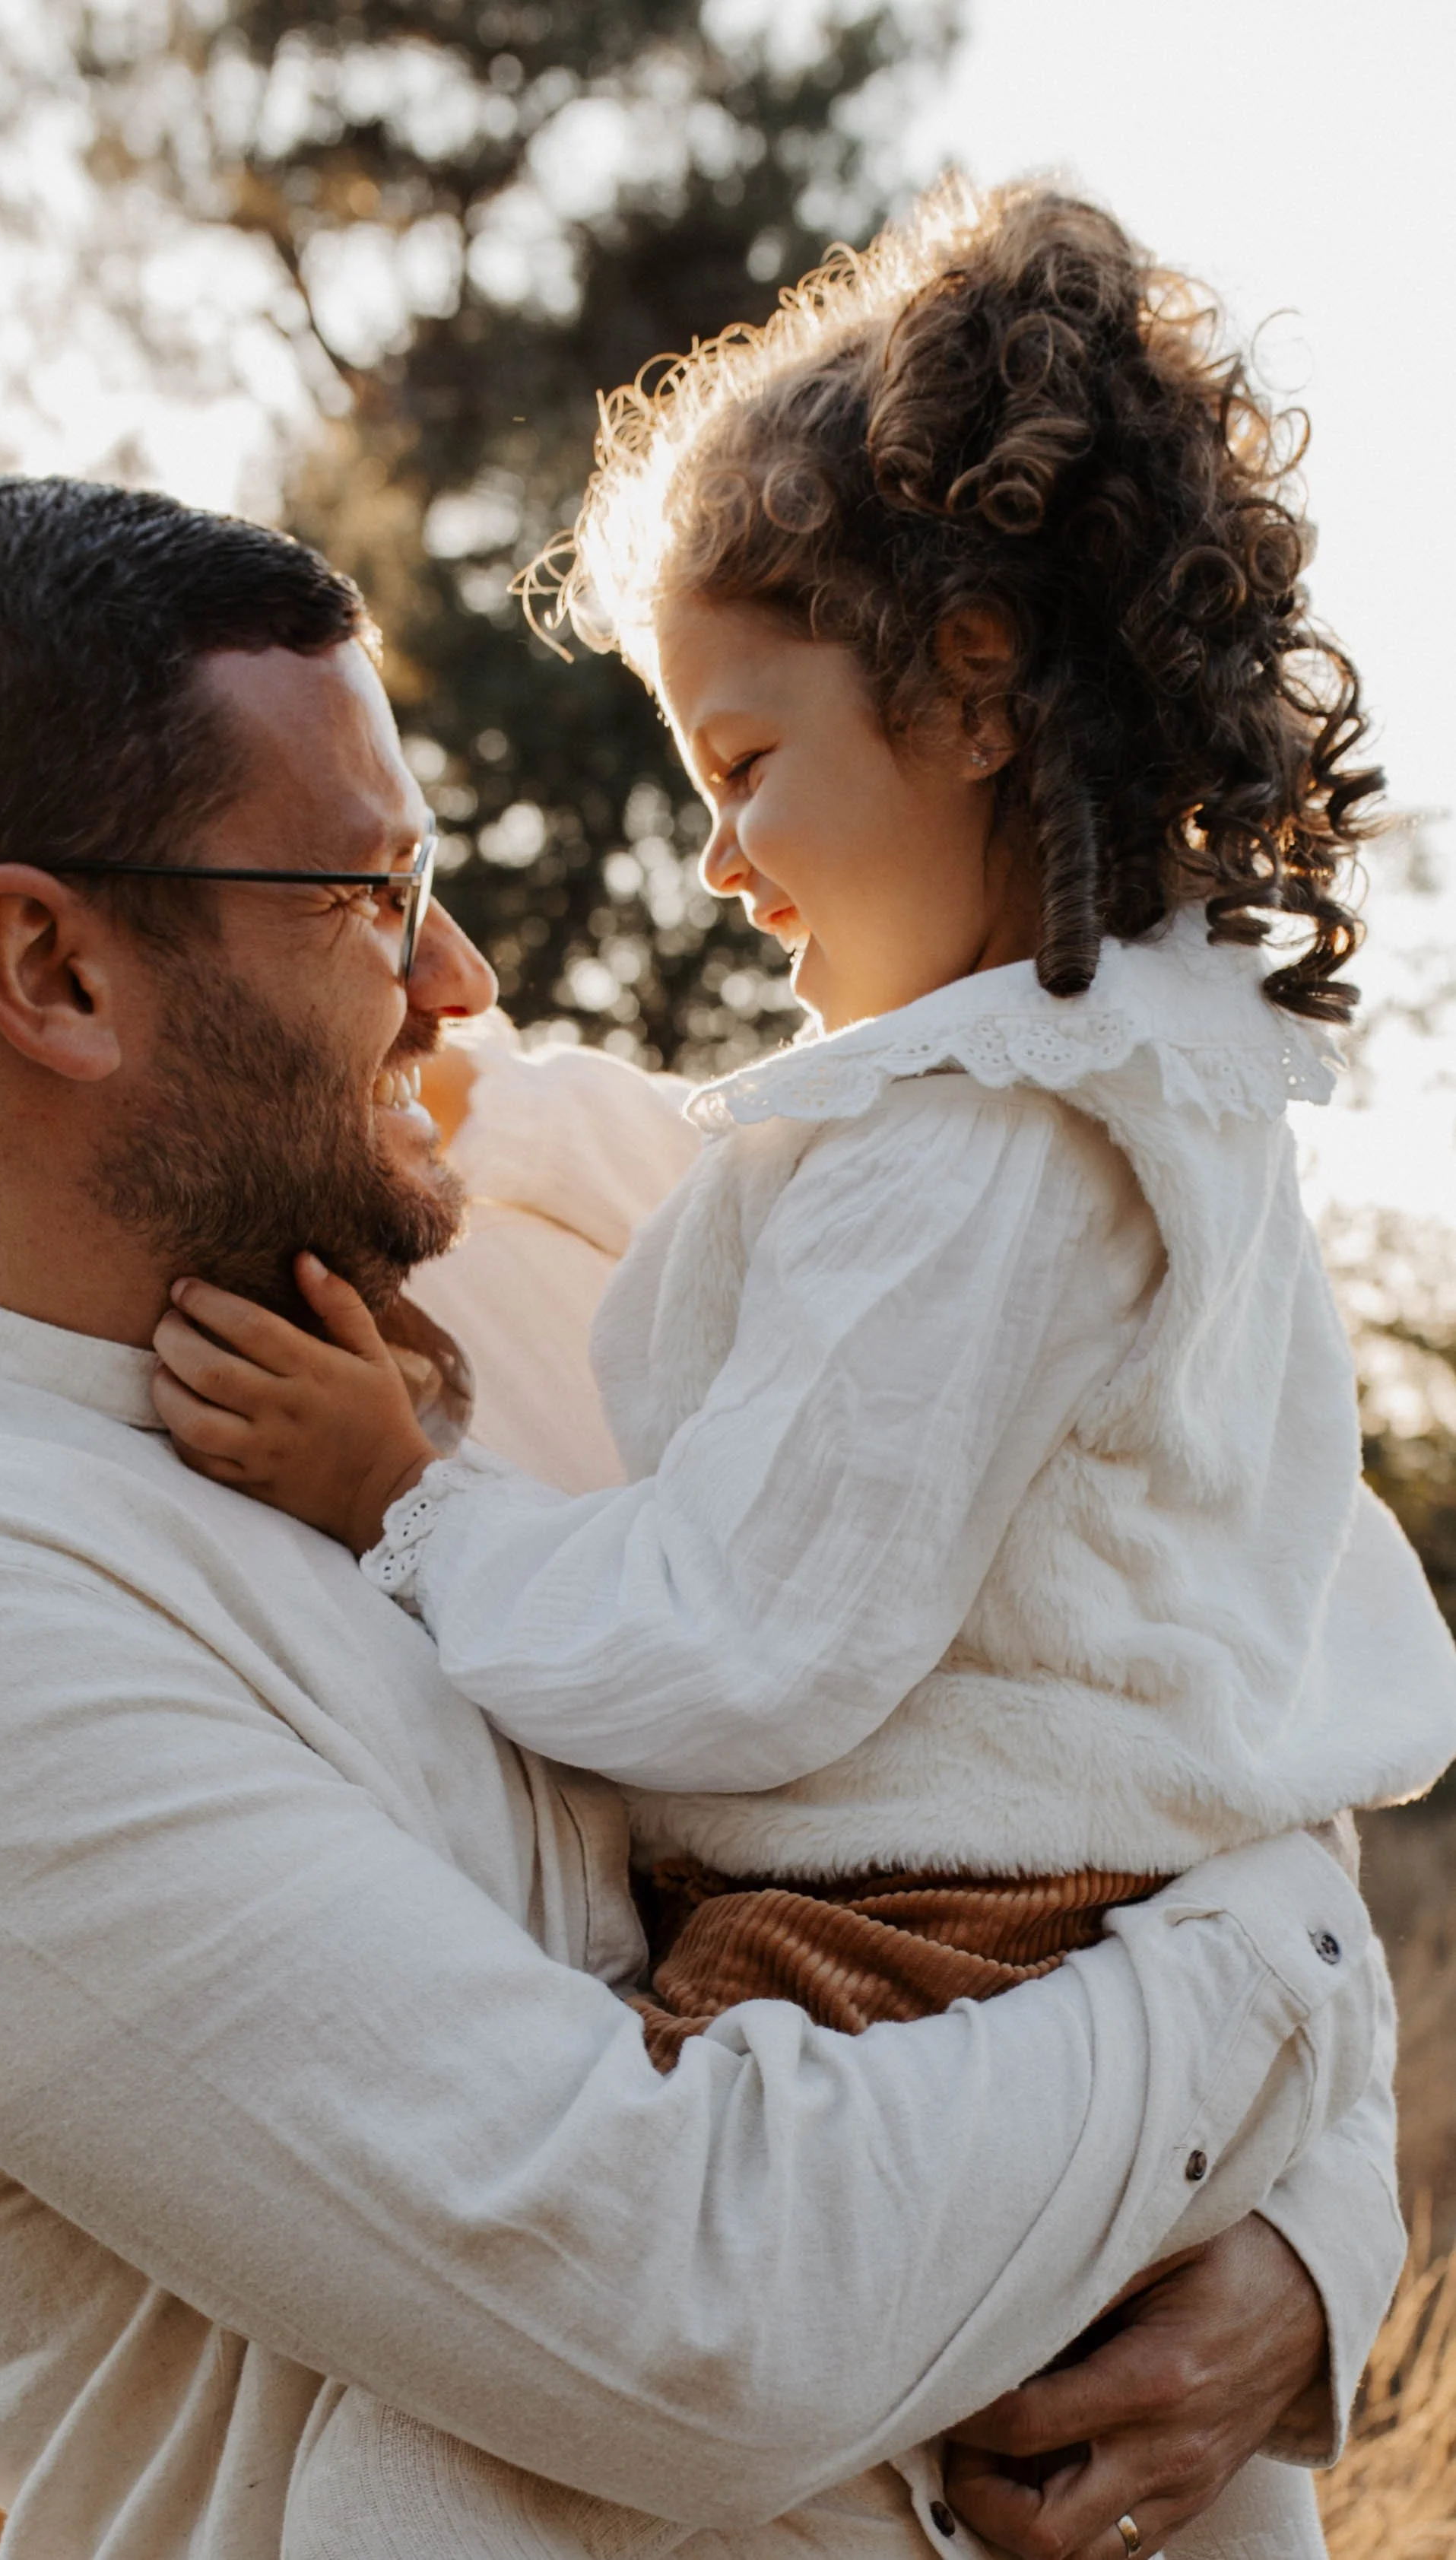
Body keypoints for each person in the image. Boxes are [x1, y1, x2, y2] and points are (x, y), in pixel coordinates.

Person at [0, 472, 1395, 2560]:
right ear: (54, 970)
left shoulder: (600, 1242)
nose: (458, 977)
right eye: (366, 895)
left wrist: (1307, 2257)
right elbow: (699, 2306)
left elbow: (1214, 1650)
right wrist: (1260, 1993)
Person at [142, 186, 1456, 2554]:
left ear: (967, 686)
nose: (722, 856)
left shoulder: (987, 1153)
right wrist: (511, 1110)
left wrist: (407, 1502)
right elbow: (751, 1216)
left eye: (744, 762)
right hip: (1097, 1943)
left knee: (418, 2472)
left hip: (928, 1949)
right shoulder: (1110, 1089)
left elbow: (757, 1630)